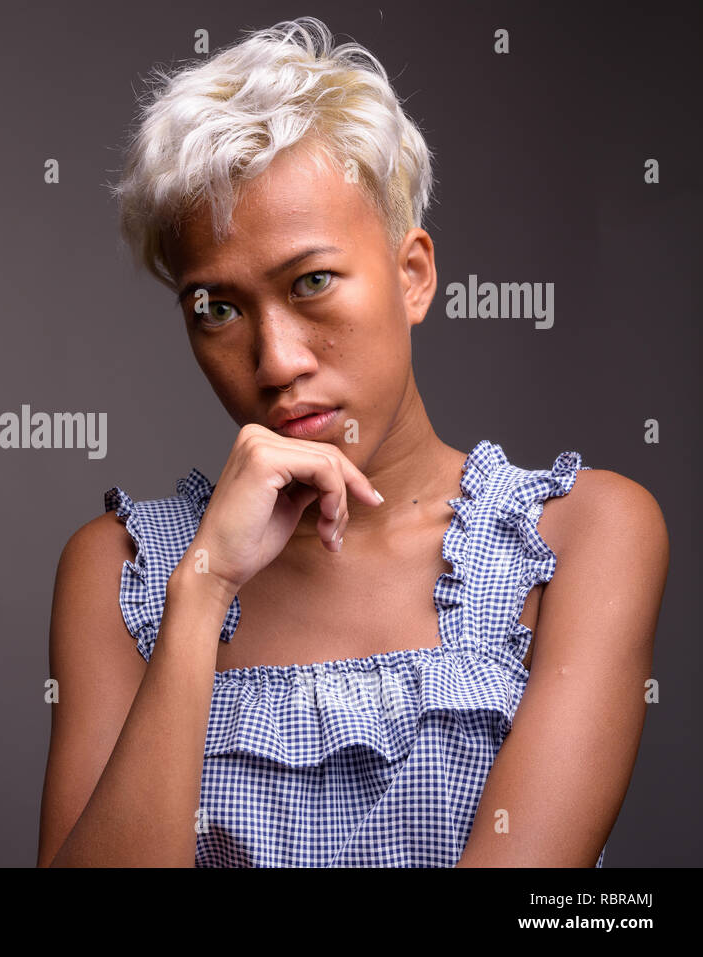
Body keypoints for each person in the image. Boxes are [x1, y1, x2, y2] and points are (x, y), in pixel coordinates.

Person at [36, 16, 669, 867]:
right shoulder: (125, 571)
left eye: (312, 282)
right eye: (216, 308)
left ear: (413, 275)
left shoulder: (580, 535)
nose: (275, 360)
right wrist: (204, 588)